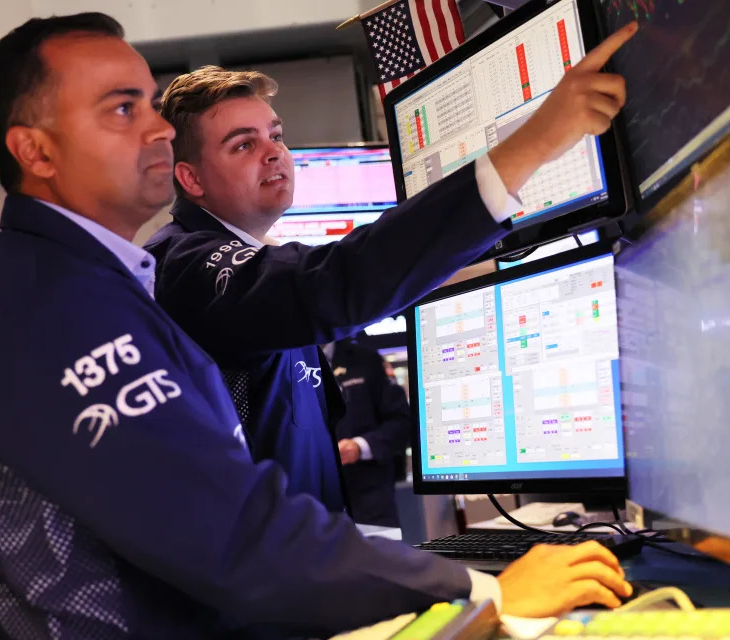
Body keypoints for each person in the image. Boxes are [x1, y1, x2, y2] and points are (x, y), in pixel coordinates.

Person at [0, 12, 635, 638]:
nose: (154, 127)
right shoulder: (66, 302)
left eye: (150, 104)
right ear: (36, 152)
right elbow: (230, 531)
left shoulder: (72, 279)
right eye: (122, 110)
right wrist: (482, 590)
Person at [145, 34, 635, 514]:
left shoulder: (248, 262)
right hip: (262, 584)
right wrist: (537, 140)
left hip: (307, 570)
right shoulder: (185, 266)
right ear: (190, 178)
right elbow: (335, 284)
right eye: (242, 145)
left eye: (275, 135)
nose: (273, 153)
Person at [324, 338, 410, 527]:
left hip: (371, 502)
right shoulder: (286, 365)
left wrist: (360, 447)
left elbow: (402, 423)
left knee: (384, 556)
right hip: (316, 508)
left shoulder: (366, 360)